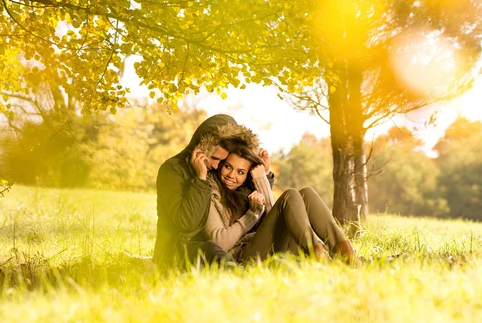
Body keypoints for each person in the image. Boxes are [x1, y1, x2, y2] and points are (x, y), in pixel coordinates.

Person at [204, 145, 361, 266]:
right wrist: (252, 215)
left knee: (306, 193)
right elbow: (220, 243)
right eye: (228, 167)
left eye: (240, 172)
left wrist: (262, 179)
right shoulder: (212, 194)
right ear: (221, 165)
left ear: (246, 176)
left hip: (268, 248)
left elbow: (276, 217)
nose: (231, 175)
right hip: (244, 257)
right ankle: (318, 253)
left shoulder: (245, 192)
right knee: (289, 195)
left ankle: (347, 256)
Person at [152, 114, 262, 269]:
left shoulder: (214, 171)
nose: (217, 166)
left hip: (217, 248)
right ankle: (240, 276)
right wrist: (201, 179)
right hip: (177, 252)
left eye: (222, 161)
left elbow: (242, 200)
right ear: (202, 148)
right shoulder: (172, 170)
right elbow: (187, 224)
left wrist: (262, 176)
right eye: (214, 158)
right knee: (211, 248)